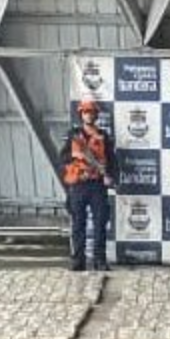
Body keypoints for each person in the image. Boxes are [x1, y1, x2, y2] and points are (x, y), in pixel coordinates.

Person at [59, 97, 113, 271]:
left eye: (92, 112)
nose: (89, 115)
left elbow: (111, 159)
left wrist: (110, 176)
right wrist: (76, 155)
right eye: (86, 112)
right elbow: (63, 157)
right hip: (78, 185)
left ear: (96, 115)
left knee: (100, 224)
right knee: (78, 224)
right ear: (81, 115)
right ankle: (78, 260)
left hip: (97, 185)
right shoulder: (74, 135)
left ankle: (100, 260)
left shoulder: (103, 136)